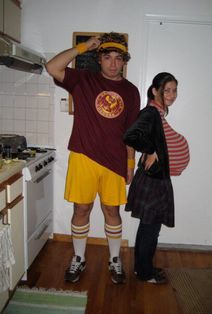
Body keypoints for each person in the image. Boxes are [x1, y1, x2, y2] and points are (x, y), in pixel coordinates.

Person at [46, 32, 140, 284]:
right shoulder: (83, 80)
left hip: (114, 161)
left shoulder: (131, 92)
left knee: (112, 210)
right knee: (82, 208)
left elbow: (132, 132)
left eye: (118, 58)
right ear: (99, 59)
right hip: (83, 157)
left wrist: (130, 164)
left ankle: (114, 259)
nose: (112, 63)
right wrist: (83, 47)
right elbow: (52, 66)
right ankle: (79, 257)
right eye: (107, 57)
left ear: (124, 62)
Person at [123, 72, 190, 284]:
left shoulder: (159, 114)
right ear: (155, 91)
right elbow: (130, 136)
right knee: (151, 229)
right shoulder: (152, 112)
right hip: (154, 182)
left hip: (155, 179)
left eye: (174, 90)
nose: (171, 94)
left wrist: (154, 149)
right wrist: (151, 150)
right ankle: (146, 273)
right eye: (166, 90)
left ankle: (142, 268)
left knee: (148, 227)